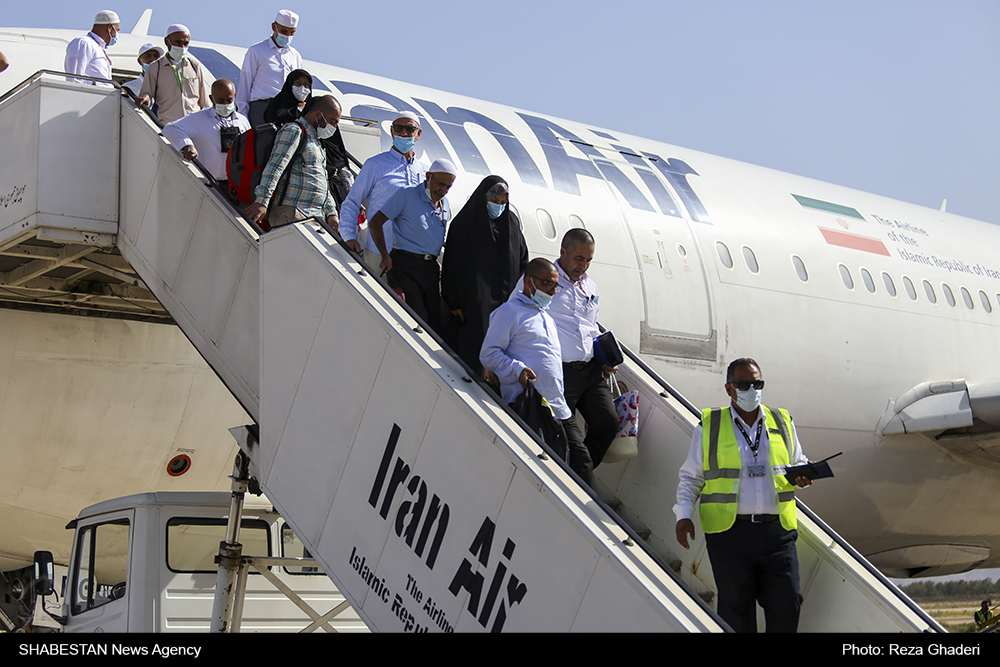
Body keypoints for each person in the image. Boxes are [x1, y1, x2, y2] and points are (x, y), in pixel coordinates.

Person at [674, 358, 812, 633]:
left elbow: (798, 460)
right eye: (745, 384)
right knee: (736, 611)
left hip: (777, 533)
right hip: (729, 536)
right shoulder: (710, 425)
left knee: (788, 603)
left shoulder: (782, 421)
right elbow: (691, 477)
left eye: (757, 383)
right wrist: (684, 514)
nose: (752, 389)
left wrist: (805, 475)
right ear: (729, 388)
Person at [480, 258, 592, 487]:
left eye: (555, 286)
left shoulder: (547, 317)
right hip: (530, 404)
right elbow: (489, 353)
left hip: (557, 406)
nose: (552, 291)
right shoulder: (509, 312)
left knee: (581, 464)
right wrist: (517, 369)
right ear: (529, 282)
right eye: (547, 284)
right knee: (541, 473)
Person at [546, 229, 619, 470]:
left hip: (591, 371)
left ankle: (577, 470)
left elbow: (591, 326)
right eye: (579, 259)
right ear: (563, 252)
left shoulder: (591, 286)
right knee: (565, 435)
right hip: (560, 372)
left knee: (608, 423)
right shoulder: (546, 280)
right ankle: (578, 472)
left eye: (588, 260)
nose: (584, 266)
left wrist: (605, 357)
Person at [441, 175, 527, 376]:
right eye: (494, 202)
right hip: (474, 307)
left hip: (506, 304)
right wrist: (453, 303)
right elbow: (451, 266)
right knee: (474, 357)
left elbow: (523, 260)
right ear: (482, 198)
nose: (499, 206)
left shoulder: (511, 223)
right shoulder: (464, 225)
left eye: (503, 203)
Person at [368, 158, 455, 335]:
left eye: (448, 187)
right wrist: (384, 254)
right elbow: (376, 222)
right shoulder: (407, 194)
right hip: (405, 265)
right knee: (418, 321)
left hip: (430, 269)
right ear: (428, 176)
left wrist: (432, 256)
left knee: (435, 323)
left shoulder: (444, 204)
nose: (443, 190)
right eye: (440, 184)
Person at [340, 111, 429, 267]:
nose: (403, 133)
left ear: (418, 133)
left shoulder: (424, 171)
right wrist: (349, 236)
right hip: (379, 252)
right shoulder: (375, 164)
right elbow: (353, 202)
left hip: (413, 254)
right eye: (398, 128)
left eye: (410, 129)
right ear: (391, 131)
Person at [245, 94, 342, 231]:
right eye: (333, 121)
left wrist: (331, 213)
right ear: (319, 115)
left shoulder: (316, 141)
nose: (334, 127)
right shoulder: (294, 130)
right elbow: (275, 167)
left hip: (314, 217)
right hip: (292, 213)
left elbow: (322, 181)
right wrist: (262, 201)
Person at [162, 79, 250, 190]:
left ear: (234, 96)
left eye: (229, 100)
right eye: (221, 100)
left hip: (237, 184)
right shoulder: (198, 119)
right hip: (210, 184)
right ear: (211, 98)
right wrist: (187, 145)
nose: (225, 104)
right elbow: (170, 128)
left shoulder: (242, 121)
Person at [237, 10, 303, 127]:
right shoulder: (257, 51)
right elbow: (245, 85)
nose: (287, 36)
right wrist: (243, 116)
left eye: (291, 33)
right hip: (261, 109)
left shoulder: (295, 56)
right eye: (283, 31)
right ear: (274, 27)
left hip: (286, 110)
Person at [136, 24, 210, 124]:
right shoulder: (155, 68)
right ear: (167, 42)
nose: (182, 47)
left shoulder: (194, 66)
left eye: (186, 43)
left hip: (194, 126)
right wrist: (145, 98)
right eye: (178, 42)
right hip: (169, 127)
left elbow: (203, 101)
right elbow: (147, 93)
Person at [63, 10, 119, 86]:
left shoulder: (98, 47)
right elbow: (74, 79)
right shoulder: (84, 43)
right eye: (117, 30)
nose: (116, 35)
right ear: (109, 27)